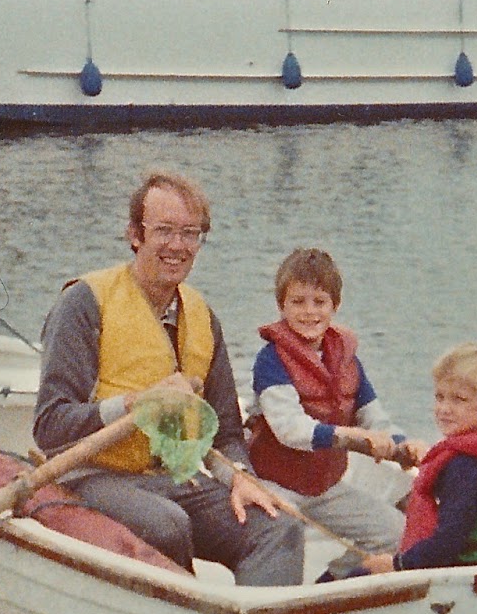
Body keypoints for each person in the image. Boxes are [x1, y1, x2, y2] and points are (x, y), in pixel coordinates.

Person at [33, 171, 304, 585]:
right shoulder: (85, 304)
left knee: (278, 525)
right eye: (164, 231)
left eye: (190, 234)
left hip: (172, 477)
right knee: (166, 524)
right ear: (135, 234)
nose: (178, 246)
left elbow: (227, 432)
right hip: (89, 475)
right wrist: (134, 404)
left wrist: (241, 478)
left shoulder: (202, 318)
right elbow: (49, 428)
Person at [248, 248, 425, 579]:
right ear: (282, 306)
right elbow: (291, 429)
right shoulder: (270, 360)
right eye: (298, 302)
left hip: (324, 485)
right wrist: (353, 437)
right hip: (275, 485)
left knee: (398, 535)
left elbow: (373, 417)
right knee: (286, 537)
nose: (309, 312)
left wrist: (403, 444)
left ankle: (328, 589)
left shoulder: (346, 359)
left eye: (319, 301)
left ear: (335, 306)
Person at [362, 343, 477, 574]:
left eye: (458, 399)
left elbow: (450, 540)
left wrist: (398, 564)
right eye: (440, 397)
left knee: (363, 571)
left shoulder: (461, 467)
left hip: (453, 575)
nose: (444, 409)